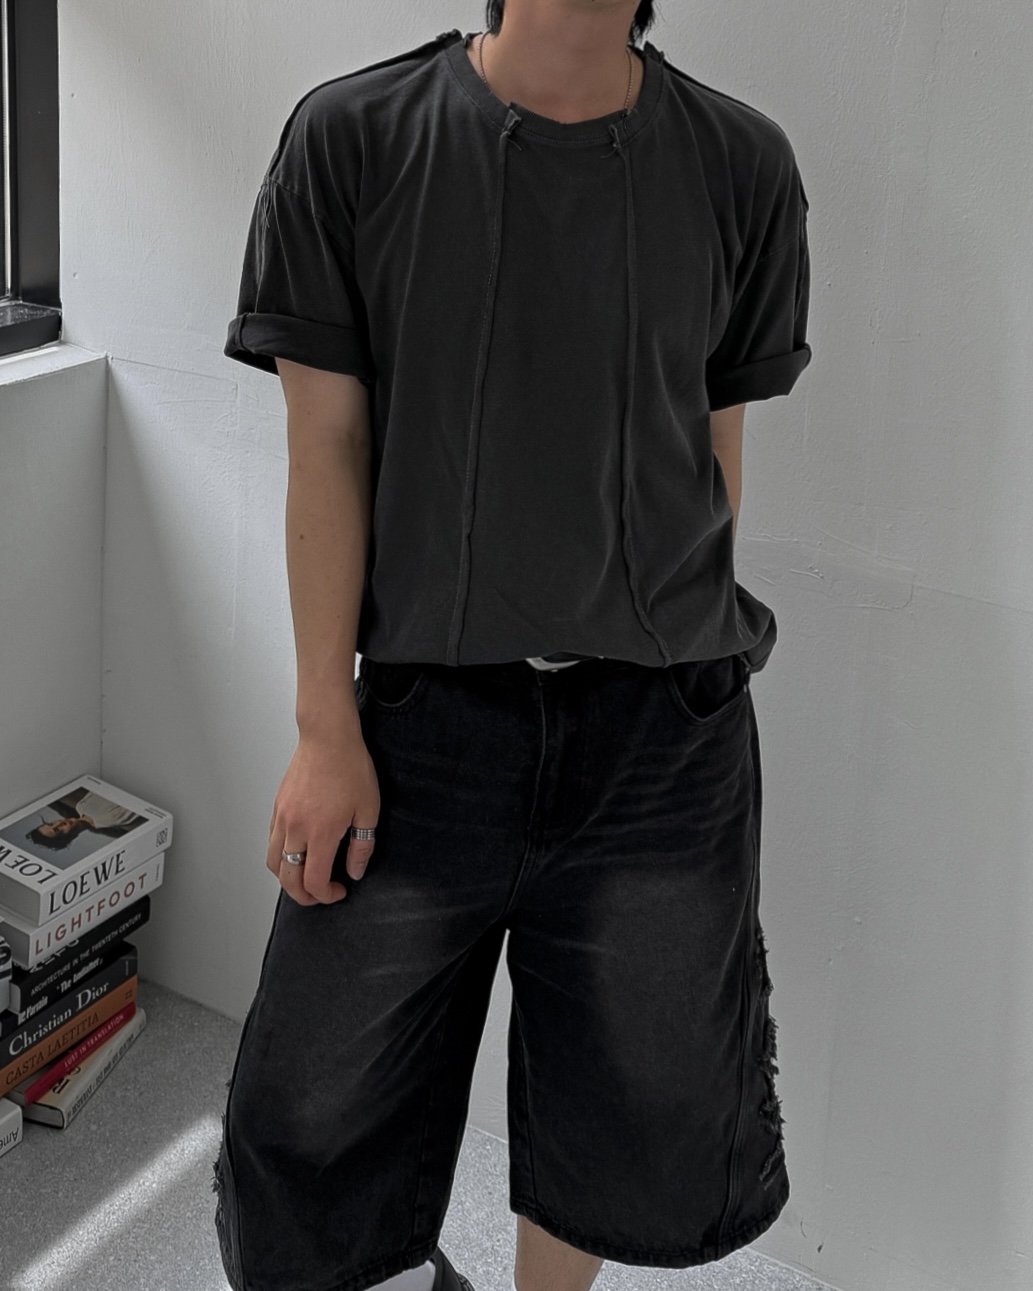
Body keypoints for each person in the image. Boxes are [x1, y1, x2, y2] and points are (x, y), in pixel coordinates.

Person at [212, 3, 813, 1291]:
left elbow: (713, 447)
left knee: (620, 1099)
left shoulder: (742, 163)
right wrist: (325, 725)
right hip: (422, 725)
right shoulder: (354, 136)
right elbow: (326, 449)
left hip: (662, 737)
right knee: (313, 1106)